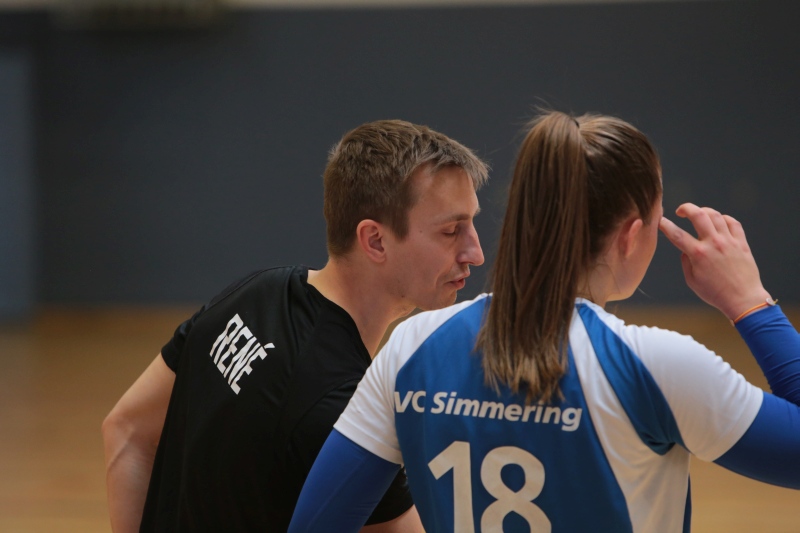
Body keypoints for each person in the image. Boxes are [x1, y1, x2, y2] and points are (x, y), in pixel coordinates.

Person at [288, 111, 800, 532]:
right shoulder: (656, 367)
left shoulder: (411, 348)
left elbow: (316, 523)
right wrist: (751, 303)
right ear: (630, 236)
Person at [101, 119, 489, 532]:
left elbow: (126, 432)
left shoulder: (254, 292)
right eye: (451, 230)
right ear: (375, 240)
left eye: (471, 224)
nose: (475, 252)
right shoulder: (341, 410)